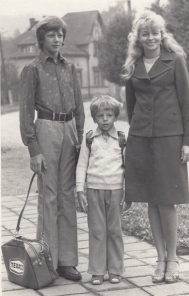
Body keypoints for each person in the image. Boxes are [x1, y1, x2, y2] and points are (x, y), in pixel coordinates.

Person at [122, 11, 189, 284]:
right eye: (145, 33)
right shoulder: (133, 65)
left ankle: (173, 258)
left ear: (162, 34)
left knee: (167, 199)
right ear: (138, 38)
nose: (150, 37)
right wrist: (137, 132)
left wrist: (188, 141)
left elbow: (186, 104)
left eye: (155, 32)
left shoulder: (175, 61)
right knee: (151, 199)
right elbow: (131, 106)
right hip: (141, 138)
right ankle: (160, 258)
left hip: (170, 137)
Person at [20, 16, 85, 281]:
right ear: (41, 39)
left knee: (67, 195)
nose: (57, 39)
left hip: (69, 129)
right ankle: (46, 260)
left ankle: (67, 261)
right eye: (51, 35)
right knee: (48, 196)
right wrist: (33, 149)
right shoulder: (32, 69)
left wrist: (80, 138)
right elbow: (26, 114)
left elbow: (79, 106)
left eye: (60, 35)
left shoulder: (70, 67)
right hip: (45, 128)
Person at [76, 95, 125, 285]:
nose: (105, 119)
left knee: (114, 230)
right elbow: (81, 165)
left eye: (109, 115)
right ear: (94, 118)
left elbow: (127, 168)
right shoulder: (89, 139)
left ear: (115, 117)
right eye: (100, 116)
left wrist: (128, 192)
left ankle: (115, 270)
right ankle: (97, 271)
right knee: (97, 230)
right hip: (94, 190)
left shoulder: (121, 139)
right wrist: (80, 190)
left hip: (116, 190)